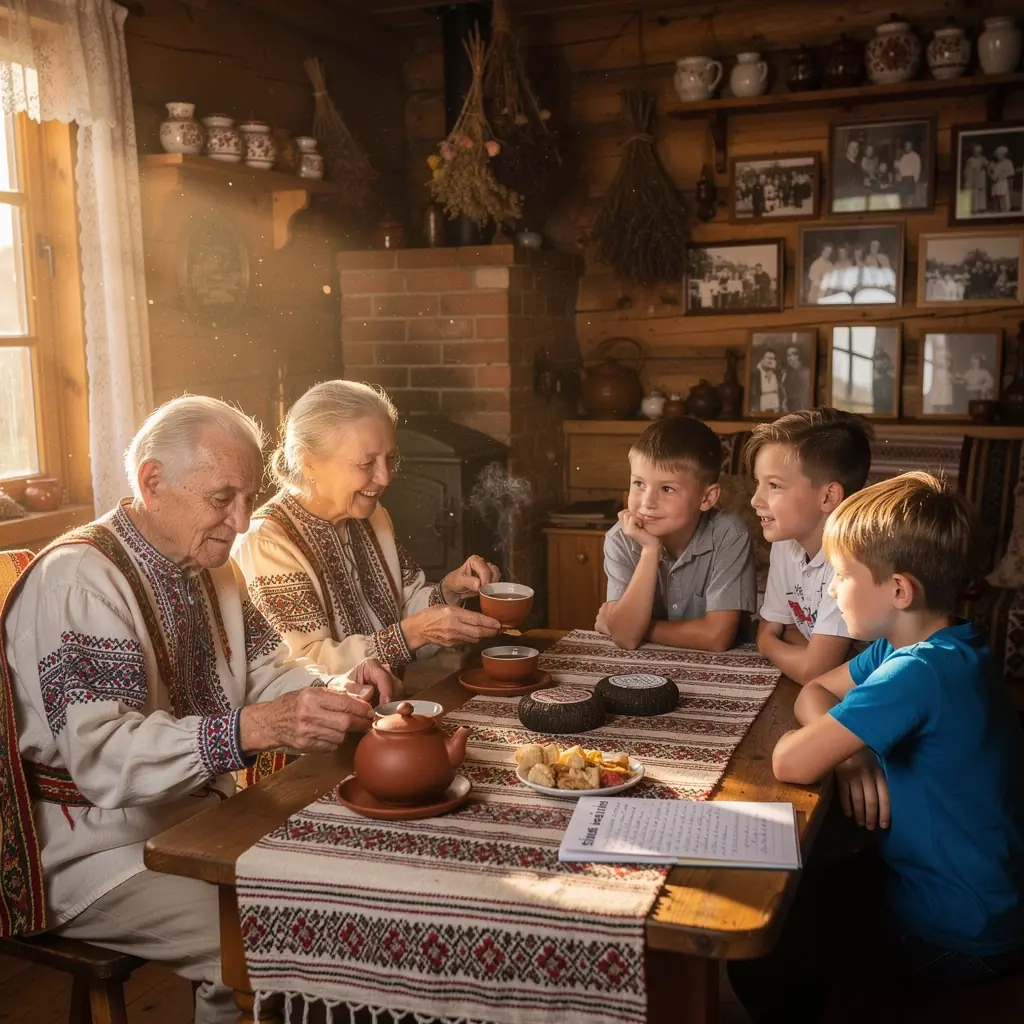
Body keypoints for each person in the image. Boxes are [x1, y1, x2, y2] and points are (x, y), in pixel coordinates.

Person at [0, 396, 401, 1022]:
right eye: (222, 499)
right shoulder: (81, 579)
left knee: (344, 882)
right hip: (93, 853)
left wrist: (334, 687)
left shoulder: (210, 566)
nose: (242, 522)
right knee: (276, 939)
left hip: (191, 820)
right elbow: (104, 760)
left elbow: (269, 670)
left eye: (249, 497)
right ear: (152, 482)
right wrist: (251, 729)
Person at [730, 473, 1024, 1023]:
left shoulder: (918, 672)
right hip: (959, 891)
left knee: (765, 953)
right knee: (797, 894)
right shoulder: (929, 641)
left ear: (898, 591)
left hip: (960, 929)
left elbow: (788, 760)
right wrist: (851, 750)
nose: (832, 591)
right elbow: (815, 690)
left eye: (842, 577)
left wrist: (831, 742)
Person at [234, 381, 502, 678]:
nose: (385, 477)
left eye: (390, 458)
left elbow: (405, 609)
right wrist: (412, 634)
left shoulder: (374, 517)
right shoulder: (267, 542)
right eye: (366, 463)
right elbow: (301, 667)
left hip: (389, 710)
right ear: (309, 462)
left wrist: (449, 591)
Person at [595, 416, 755, 652]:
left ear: (707, 498)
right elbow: (626, 639)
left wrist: (634, 626)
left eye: (667, 488)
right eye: (639, 484)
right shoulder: (620, 538)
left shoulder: (729, 534)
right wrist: (650, 551)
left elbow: (716, 638)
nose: (647, 502)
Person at [745, 407, 873, 684]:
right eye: (758, 482)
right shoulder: (785, 541)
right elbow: (775, 627)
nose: (755, 500)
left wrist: (769, 644)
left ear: (828, 496)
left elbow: (813, 670)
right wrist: (805, 647)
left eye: (774, 486)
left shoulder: (851, 560)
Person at [924, 346, 955, 414]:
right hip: (937, 390)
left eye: (943, 359)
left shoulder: (947, 373)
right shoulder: (936, 371)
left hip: (944, 391)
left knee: (943, 408)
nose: (941, 361)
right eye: (940, 358)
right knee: (935, 407)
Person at [751, 348, 782, 413]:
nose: (771, 361)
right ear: (761, 359)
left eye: (773, 359)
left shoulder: (778, 374)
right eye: (769, 358)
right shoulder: (754, 374)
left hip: (776, 411)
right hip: (760, 411)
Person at [781, 345, 810, 412]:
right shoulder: (787, 373)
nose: (789, 358)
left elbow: (804, 394)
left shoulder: (805, 373)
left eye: (791, 355)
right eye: (788, 356)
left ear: (798, 356)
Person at [894, 137, 922, 207]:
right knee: (901, 201)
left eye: (909, 145)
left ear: (911, 146)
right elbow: (896, 166)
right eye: (906, 145)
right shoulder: (902, 156)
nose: (907, 147)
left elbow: (917, 169)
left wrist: (914, 180)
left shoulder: (915, 156)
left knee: (910, 201)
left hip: (910, 180)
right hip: (902, 180)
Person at [988, 145, 1016, 214]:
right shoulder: (993, 163)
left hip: (1003, 183)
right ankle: (996, 213)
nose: (999, 156)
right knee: (995, 198)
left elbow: (1011, 174)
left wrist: (1010, 185)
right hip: (995, 184)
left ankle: (1004, 213)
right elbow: (990, 172)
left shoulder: (1007, 162)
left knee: (1003, 199)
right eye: (997, 155)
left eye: (1001, 155)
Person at [963, 143, 989, 215]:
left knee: (981, 193)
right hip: (973, 177)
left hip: (980, 177)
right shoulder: (970, 159)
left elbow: (987, 165)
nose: (977, 153)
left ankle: (981, 207)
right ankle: (973, 208)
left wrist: (984, 167)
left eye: (978, 151)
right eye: (975, 151)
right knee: (974, 193)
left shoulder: (983, 158)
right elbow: (967, 169)